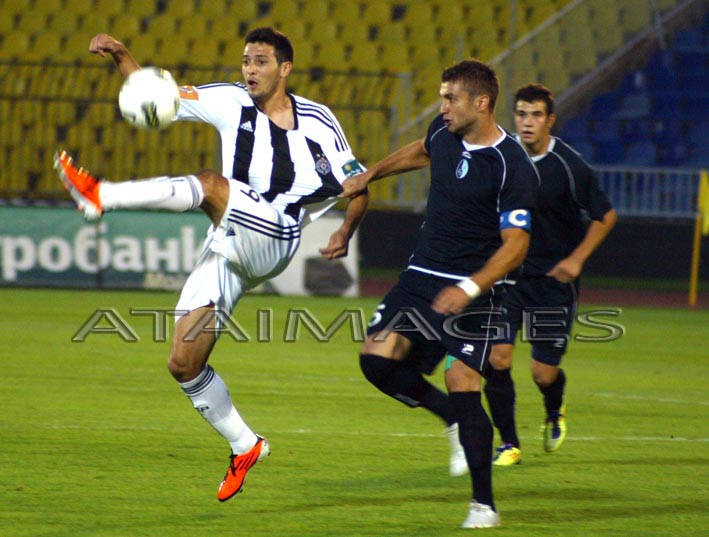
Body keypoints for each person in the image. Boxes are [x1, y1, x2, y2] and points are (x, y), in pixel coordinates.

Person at [54, 28, 369, 502]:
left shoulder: (319, 120)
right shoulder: (229, 99)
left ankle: (102, 195)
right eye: (246, 61)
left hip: (276, 234)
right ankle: (245, 445)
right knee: (183, 362)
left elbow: (358, 184)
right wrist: (122, 55)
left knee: (210, 184)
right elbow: (156, 92)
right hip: (228, 242)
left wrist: (345, 230)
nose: (250, 70)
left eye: (261, 61)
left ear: (285, 69)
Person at [340, 60, 539, 529]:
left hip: (474, 292)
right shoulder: (444, 131)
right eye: (442, 97)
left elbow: (516, 245)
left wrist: (469, 288)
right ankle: (448, 416)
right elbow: (422, 150)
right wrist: (371, 174)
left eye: (451, 98)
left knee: (463, 381)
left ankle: (484, 506)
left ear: (481, 103)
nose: (442, 106)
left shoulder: (513, 166)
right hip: (420, 277)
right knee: (375, 361)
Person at [485, 84, 616, 467]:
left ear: (550, 120)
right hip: (508, 278)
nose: (527, 122)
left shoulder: (570, 166)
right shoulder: (502, 158)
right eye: (521, 114)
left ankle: (554, 407)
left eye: (536, 115)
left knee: (543, 373)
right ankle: (509, 444)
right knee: (497, 357)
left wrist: (576, 259)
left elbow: (605, 216)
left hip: (552, 282)